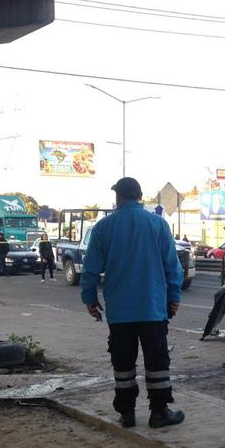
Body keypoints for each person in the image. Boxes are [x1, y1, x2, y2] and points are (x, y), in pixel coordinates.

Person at [82, 176, 185, 429]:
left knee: (123, 363)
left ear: (118, 197)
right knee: (157, 360)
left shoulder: (103, 228)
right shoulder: (158, 225)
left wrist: (90, 299)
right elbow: (173, 267)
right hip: (152, 308)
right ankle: (159, 412)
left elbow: (90, 270)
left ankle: (127, 413)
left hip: (120, 311)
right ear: (140, 196)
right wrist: (174, 298)